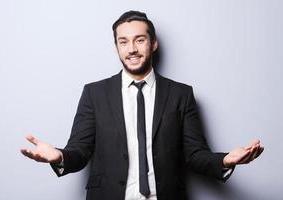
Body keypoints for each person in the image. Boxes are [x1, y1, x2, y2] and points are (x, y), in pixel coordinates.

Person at [21, 10, 264, 200]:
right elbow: (80, 151)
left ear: (153, 43)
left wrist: (225, 161)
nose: (132, 49)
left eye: (140, 40)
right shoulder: (95, 93)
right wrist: (59, 156)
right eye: (123, 42)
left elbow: (194, 154)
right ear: (116, 47)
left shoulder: (181, 94)